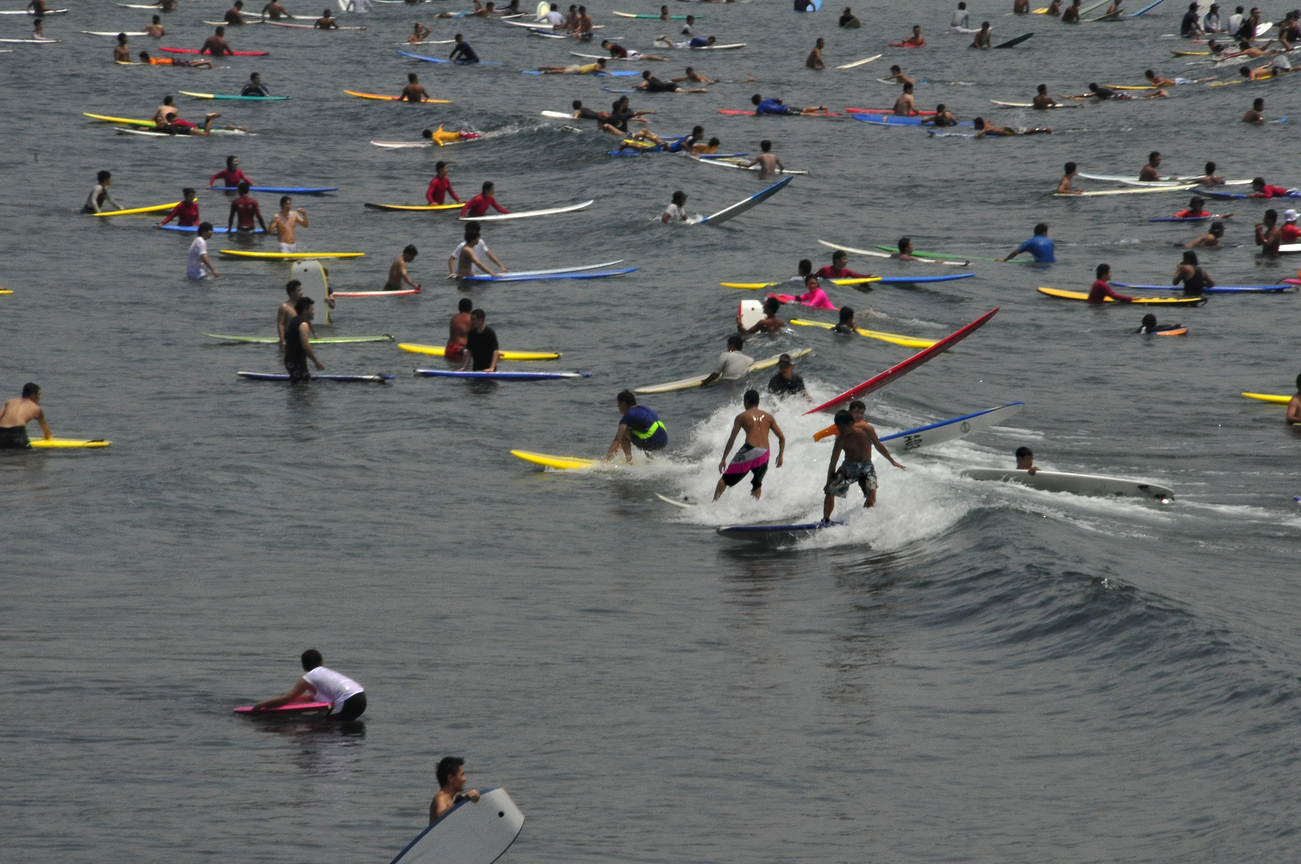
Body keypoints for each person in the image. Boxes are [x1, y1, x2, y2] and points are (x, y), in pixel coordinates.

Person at [822, 406, 905, 520]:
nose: (840, 431)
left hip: (866, 467)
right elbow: (833, 461)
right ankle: (825, 519)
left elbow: (878, 445)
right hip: (848, 467)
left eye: (843, 428)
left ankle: (864, 519)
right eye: (838, 428)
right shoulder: (841, 439)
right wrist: (828, 481)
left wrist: (892, 461)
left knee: (872, 492)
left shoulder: (867, 429)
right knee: (830, 491)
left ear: (851, 423)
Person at [715, 390, 785, 501]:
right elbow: (782, 438)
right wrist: (780, 455)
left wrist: (724, 459)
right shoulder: (768, 417)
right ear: (758, 402)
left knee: (725, 479)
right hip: (764, 453)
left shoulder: (741, 417)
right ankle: (754, 508)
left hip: (749, 449)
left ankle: (714, 503)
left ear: (746, 401)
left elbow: (732, 439)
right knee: (757, 483)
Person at [252, 650, 365, 718]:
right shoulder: (327, 673)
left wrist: (260, 705)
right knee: (344, 728)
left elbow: (287, 698)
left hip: (347, 701)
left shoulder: (308, 677)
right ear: (321, 662)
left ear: (304, 666)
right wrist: (293, 700)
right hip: (361, 698)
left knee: (327, 727)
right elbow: (311, 697)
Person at [604, 391, 667, 462]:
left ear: (624, 404)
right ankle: (650, 460)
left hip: (651, 442)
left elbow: (617, 440)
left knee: (624, 433)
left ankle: (629, 461)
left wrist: (606, 459)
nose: (618, 406)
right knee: (643, 432)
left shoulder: (628, 415)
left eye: (618, 404)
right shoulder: (643, 408)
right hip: (663, 440)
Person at [0, 383, 52, 450]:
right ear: (33, 395)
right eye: (39, 395)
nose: (40, 398)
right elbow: (46, 430)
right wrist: (48, 437)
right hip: (18, 434)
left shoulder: (9, 402)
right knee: (25, 456)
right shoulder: (36, 408)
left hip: (1, 433)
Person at [430, 757, 481, 823]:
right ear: (450, 778)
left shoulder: (449, 800)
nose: (464, 779)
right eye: (462, 775)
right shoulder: (441, 797)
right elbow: (441, 817)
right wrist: (460, 799)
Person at [278, 279, 312, 345]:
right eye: (299, 290)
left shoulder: (302, 305)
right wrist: (282, 341)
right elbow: (280, 325)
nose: (301, 292)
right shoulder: (284, 307)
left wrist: (315, 334)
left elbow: (307, 320)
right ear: (292, 293)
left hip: (301, 337)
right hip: (289, 339)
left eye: (301, 290)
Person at [750, 94, 829, 116]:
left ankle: (820, 115)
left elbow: (762, 114)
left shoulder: (759, 108)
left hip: (784, 111)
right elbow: (780, 100)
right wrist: (780, 105)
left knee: (803, 114)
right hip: (786, 107)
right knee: (804, 110)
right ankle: (820, 108)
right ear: (760, 98)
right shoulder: (768, 100)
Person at [636, 70, 707, 93]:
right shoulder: (654, 78)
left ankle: (699, 90)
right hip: (669, 84)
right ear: (650, 75)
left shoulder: (646, 81)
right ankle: (699, 90)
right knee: (684, 91)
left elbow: (641, 86)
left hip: (669, 87)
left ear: (644, 77)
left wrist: (635, 86)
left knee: (685, 92)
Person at [972, 117, 1052, 136]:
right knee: (1026, 131)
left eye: (975, 125)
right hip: (1006, 129)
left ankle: (1045, 130)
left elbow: (978, 135)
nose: (974, 126)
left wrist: (973, 137)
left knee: (1027, 133)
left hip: (1006, 132)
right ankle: (1044, 130)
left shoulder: (985, 128)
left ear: (979, 124)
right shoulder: (986, 124)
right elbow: (988, 120)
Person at [138, 50, 215, 69]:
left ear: (144, 58)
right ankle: (203, 60)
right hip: (172, 60)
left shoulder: (152, 62)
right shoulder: (151, 58)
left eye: (141, 59)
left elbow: (153, 64)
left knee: (191, 65)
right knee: (189, 62)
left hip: (173, 62)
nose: (141, 60)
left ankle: (207, 62)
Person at [537, 58, 607, 74]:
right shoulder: (598, 65)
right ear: (602, 63)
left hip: (577, 67)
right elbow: (597, 69)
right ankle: (545, 72)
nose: (606, 64)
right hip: (577, 70)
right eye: (605, 63)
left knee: (559, 68)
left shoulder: (595, 64)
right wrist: (606, 72)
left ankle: (542, 67)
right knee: (560, 71)